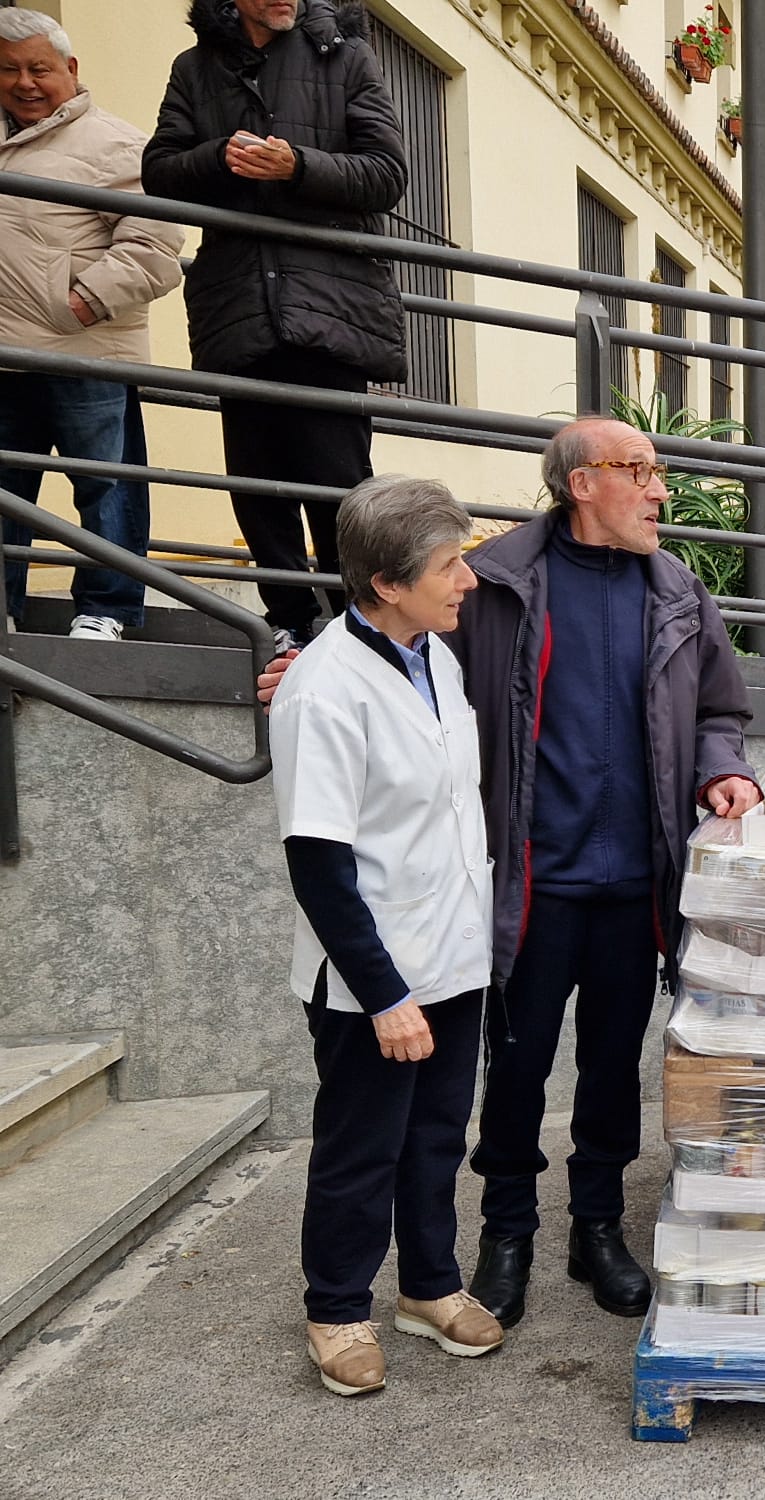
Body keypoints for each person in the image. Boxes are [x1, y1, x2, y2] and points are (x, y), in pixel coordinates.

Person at [262, 421, 763, 1325]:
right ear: (582, 483)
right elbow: (394, 654)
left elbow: (721, 710)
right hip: (522, 886)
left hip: (636, 887)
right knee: (515, 1071)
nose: (661, 491)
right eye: (641, 472)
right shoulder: (492, 584)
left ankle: (599, 1228)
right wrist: (305, 666)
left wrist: (723, 769)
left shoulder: (681, 593)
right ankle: (505, 1232)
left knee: (613, 1070)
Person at [270, 474, 502, 1397]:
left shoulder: (431, 654)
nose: (468, 582)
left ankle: (429, 1288)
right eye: (451, 566)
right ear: (386, 583)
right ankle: (336, 1310)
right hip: (376, 974)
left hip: (452, 949)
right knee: (361, 1147)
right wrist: (387, 995)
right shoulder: (324, 692)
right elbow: (319, 868)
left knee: (438, 1133)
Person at [144, 0, 408, 652]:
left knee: (339, 486)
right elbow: (159, 173)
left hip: (331, 307)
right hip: (239, 309)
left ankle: (360, 625)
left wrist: (298, 165)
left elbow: (387, 174)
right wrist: (217, 156)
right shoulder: (193, 68)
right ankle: (288, 621)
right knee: (256, 481)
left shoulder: (346, 55)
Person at [0, 9, 183, 641]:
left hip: (86, 352)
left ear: (71, 71)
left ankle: (106, 611)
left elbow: (156, 246)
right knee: (4, 492)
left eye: (39, 68)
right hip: (5, 356)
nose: (24, 82)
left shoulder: (116, 142)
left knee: (107, 488)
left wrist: (81, 301)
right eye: (8, 69)